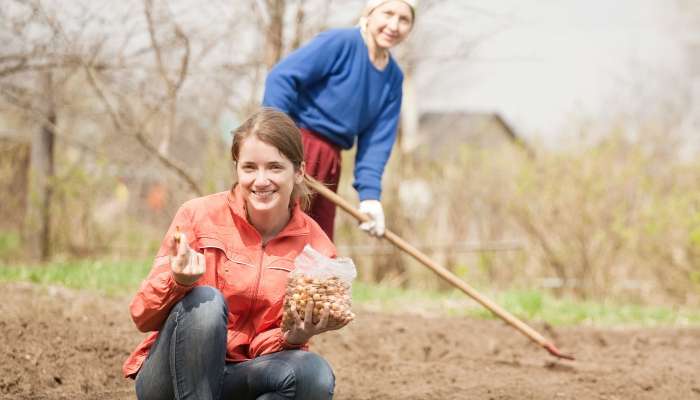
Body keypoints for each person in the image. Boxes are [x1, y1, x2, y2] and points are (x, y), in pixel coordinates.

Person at [123, 108, 353, 400]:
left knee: (314, 375)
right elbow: (141, 316)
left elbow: (266, 355)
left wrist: (294, 337)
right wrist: (177, 281)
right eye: (249, 168)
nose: (260, 180)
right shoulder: (197, 216)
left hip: (243, 376)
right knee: (205, 302)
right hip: (170, 378)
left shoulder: (316, 250)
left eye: (274, 167)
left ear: (299, 172)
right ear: (237, 169)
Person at [263, 0, 416, 241]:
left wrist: (370, 197)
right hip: (296, 146)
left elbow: (376, 144)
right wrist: (275, 142)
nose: (394, 25)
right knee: (279, 234)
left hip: (331, 161)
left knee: (317, 244)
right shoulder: (341, 43)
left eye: (404, 19)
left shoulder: (393, 79)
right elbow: (282, 78)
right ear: (371, 12)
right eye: (388, 13)